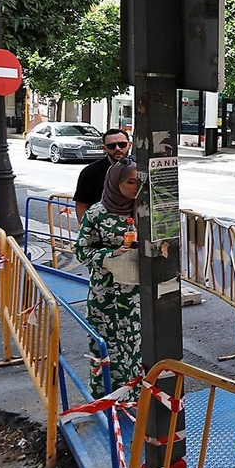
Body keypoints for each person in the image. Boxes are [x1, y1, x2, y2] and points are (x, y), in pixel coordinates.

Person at [74, 158, 142, 397]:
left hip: (137, 297)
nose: (136, 187)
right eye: (131, 182)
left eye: (139, 181)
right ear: (115, 183)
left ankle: (134, 400)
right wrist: (110, 254)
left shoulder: (146, 210)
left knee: (135, 350)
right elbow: (81, 250)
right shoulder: (97, 213)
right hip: (106, 296)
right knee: (105, 349)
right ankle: (104, 399)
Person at [75, 127, 131, 220]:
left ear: (129, 145)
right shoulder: (90, 172)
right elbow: (81, 204)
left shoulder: (137, 168)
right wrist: (86, 229)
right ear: (104, 148)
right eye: (111, 146)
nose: (117, 148)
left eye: (122, 144)